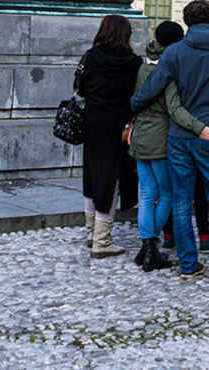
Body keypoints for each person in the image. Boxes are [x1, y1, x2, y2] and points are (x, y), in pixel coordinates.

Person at [131, 0, 209, 284]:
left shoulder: (174, 52)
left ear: (187, 22)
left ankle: (188, 263)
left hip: (178, 137)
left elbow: (153, 87)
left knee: (182, 200)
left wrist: (134, 102)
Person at [129, 20, 206, 272]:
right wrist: (198, 127)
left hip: (140, 136)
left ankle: (146, 247)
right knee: (167, 195)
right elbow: (174, 109)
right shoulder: (170, 69)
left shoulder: (143, 66)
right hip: (160, 138)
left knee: (147, 194)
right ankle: (151, 247)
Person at [76, 14, 142, 258]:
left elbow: (80, 88)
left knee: (92, 176)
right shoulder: (133, 62)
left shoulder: (91, 57)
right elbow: (137, 96)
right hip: (119, 127)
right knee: (111, 180)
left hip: (92, 123)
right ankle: (102, 241)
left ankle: (92, 233)